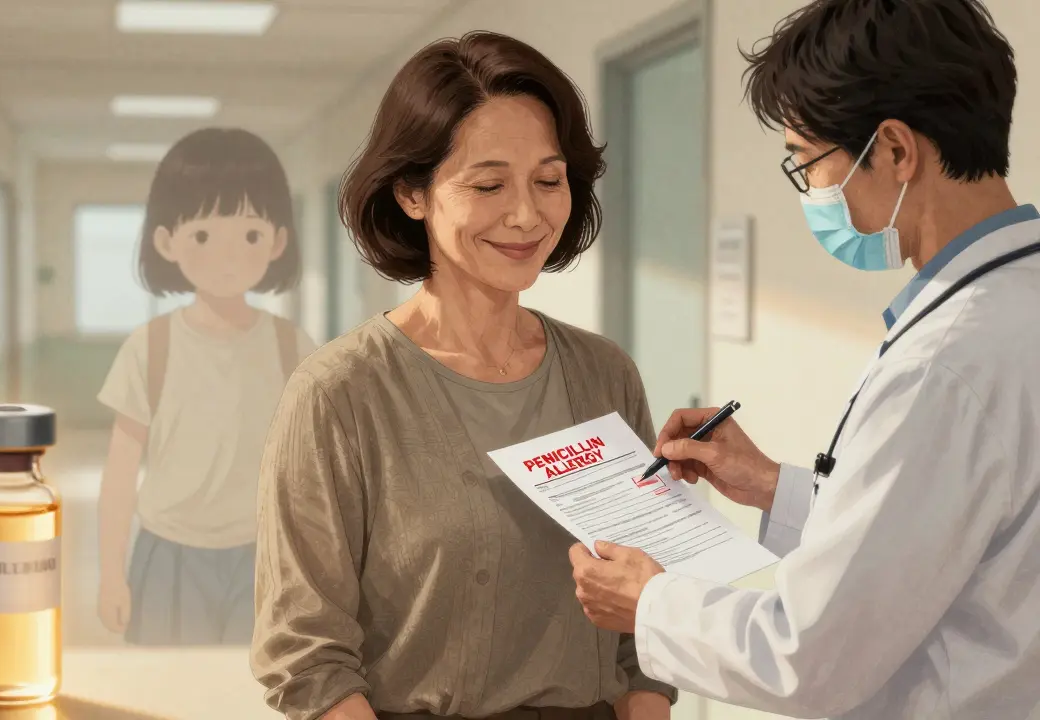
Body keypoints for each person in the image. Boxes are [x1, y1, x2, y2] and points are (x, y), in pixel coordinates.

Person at [569, 1, 1040, 718]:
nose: (813, 194)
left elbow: (808, 656)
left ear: (894, 150)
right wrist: (770, 485)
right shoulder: (1011, 303)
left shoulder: (945, 366)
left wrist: (650, 602)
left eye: (808, 164)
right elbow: (940, 531)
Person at [251, 31, 676, 720]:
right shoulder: (337, 396)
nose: (526, 215)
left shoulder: (604, 376)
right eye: (487, 184)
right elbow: (306, 655)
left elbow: (645, 620)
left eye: (548, 179)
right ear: (412, 194)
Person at [95, 127, 317, 646]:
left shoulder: (293, 346)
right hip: (170, 551)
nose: (227, 255)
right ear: (167, 241)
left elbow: (312, 471)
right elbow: (120, 474)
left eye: (250, 235)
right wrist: (110, 574)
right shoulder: (149, 346)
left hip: (266, 556)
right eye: (202, 236)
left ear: (277, 241)